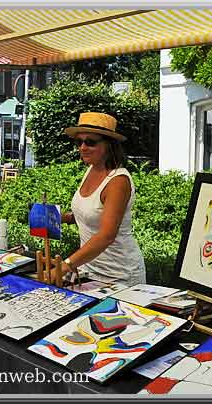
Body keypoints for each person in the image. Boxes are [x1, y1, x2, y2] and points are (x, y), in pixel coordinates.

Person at [60, 112, 145, 286]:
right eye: (79, 142)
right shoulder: (91, 169)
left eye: (90, 142)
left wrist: (67, 265)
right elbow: (93, 214)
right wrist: (60, 217)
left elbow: (107, 235)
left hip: (119, 275)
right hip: (90, 270)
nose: (82, 147)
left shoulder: (118, 181)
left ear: (109, 145)